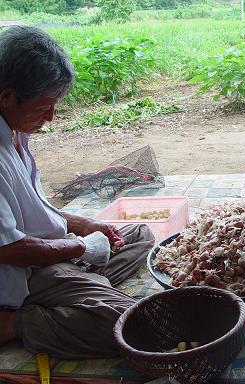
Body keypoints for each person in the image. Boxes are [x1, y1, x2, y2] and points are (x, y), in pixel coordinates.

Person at [0, 26, 155, 359]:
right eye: (44, 108)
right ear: (7, 96)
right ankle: (15, 323)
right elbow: (10, 250)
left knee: (140, 234)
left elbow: (32, 212)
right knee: (136, 324)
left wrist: (83, 227)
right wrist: (79, 247)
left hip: (47, 253)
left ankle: (80, 290)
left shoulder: (14, 133)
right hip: (21, 271)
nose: (51, 118)